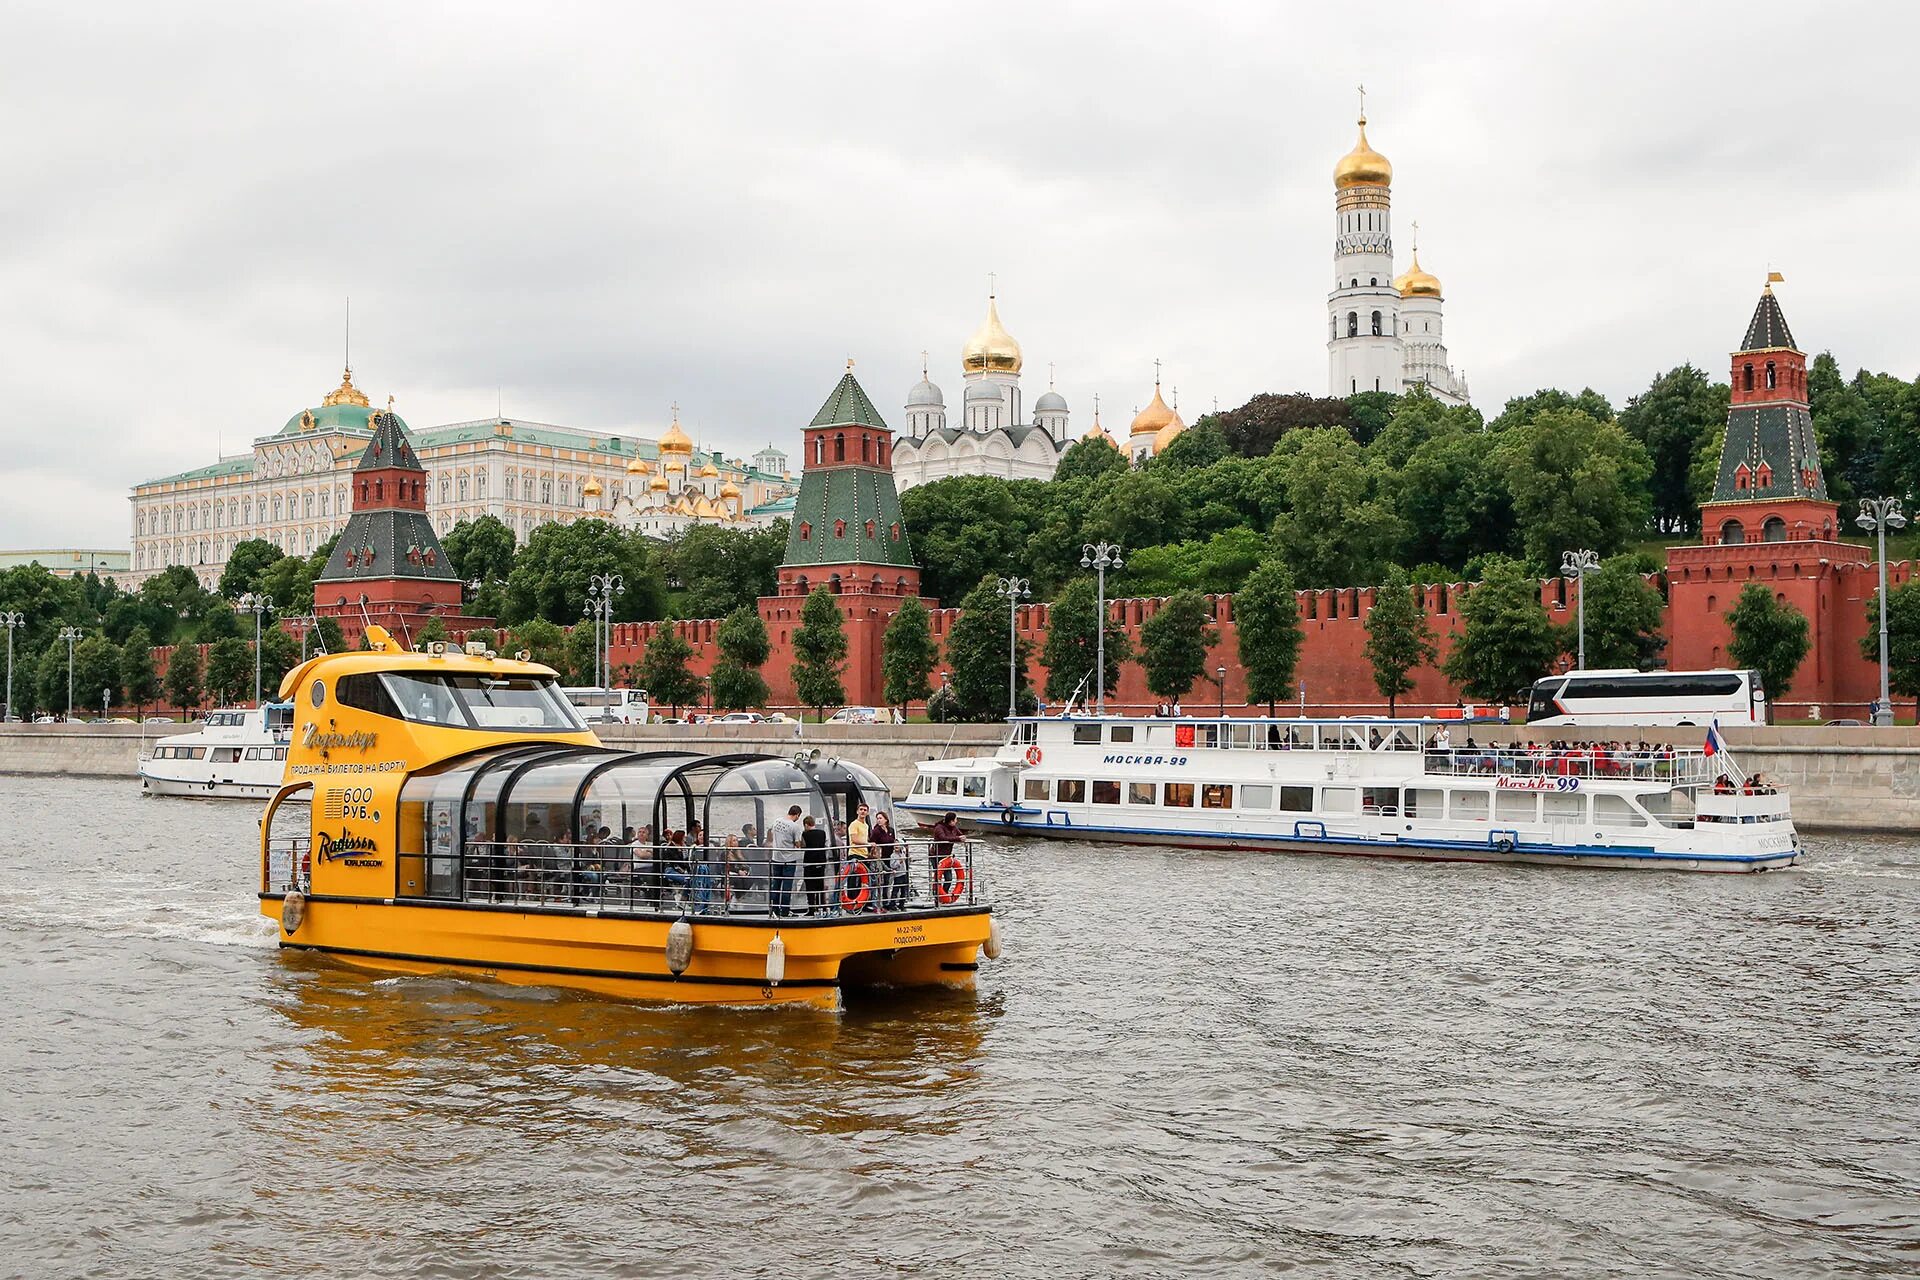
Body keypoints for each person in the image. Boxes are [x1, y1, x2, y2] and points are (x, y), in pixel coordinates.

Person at [768, 804, 804, 916]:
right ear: (797, 815)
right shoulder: (795, 827)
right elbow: (798, 844)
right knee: (787, 887)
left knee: (776, 885)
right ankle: (785, 911)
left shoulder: (777, 821)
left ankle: (774, 910)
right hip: (789, 859)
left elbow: (772, 836)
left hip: (776, 858)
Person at [871, 811, 903, 911]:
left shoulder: (891, 830)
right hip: (882, 857)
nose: (879, 820)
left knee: (892, 879)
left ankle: (893, 900)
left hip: (891, 856)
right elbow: (872, 842)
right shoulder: (876, 831)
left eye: (880, 818)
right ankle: (884, 901)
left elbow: (893, 841)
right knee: (883, 880)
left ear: (886, 819)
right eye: (877, 818)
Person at [800, 816, 830, 913]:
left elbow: (803, 846)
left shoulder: (805, 834)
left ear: (806, 825)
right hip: (821, 862)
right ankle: (822, 907)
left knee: (810, 885)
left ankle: (812, 908)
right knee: (820, 885)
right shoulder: (823, 833)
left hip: (809, 862)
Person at [929, 811, 962, 888]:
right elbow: (942, 838)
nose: (957, 821)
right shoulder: (939, 828)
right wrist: (957, 838)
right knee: (938, 876)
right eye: (955, 819)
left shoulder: (954, 828)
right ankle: (936, 894)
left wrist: (962, 837)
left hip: (946, 855)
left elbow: (960, 834)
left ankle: (944, 894)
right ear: (951, 821)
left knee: (949, 878)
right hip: (936, 855)